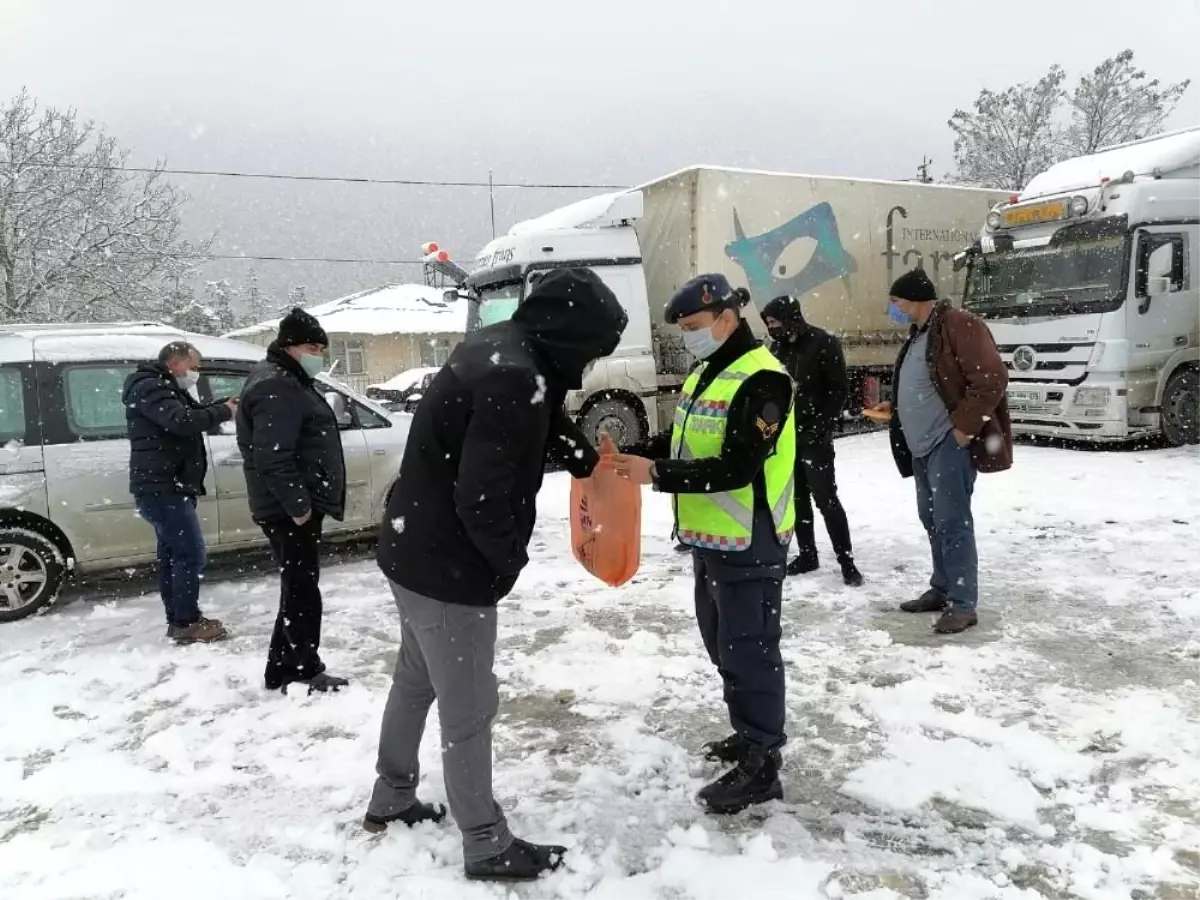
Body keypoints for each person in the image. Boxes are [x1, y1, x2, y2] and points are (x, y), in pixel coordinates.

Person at [366, 268, 627, 882]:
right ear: (569, 334)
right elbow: (482, 497)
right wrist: (505, 564)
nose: (588, 364)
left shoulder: (501, 345)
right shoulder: (515, 372)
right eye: (591, 350)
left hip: (411, 548)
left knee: (415, 681)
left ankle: (392, 795)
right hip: (449, 567)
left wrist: (581, 454)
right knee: (470, 707)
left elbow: (531, 419)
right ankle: (485, 842)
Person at [607, 273, 794, 815]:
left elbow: (737, 465)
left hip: (750, 538)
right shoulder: (708, 372)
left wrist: (657, 474)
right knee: (723, 642)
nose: (689, 336)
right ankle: (747, 733)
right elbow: (683, 439)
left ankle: (764, 764)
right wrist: (635, 454)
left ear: (726, 319)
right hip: (712, 539)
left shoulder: (764, 380)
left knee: (751, 647)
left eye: (693, 327)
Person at [868, 269, 1012, 635]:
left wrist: (963, 431)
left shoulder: (958, 324)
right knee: (931, 519)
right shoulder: (919, 333)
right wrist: (896, 404)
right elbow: (930, 381)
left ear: (915, 298)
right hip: (922, 446)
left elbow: (991, 377)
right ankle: (943, 587)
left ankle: (963, 604)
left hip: (947, 444)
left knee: (952, 522)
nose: (893, 308)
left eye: (896, 301)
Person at [237, 308, 348, 693]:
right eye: (311, 345)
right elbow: (273, 456)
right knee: (302, 591)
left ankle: (280, 668)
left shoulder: (287, 378)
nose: (318, 352)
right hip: (289, 510)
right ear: (289, 345)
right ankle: (303, 669)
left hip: (290, 506)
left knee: (297, 586)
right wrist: (299, 506)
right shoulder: (278, 385)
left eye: (321, 346)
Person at [124, 341, 237, 643]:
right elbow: (182, 421)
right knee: (190, 555)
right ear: (176, 362)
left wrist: (226, 404)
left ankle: (180, 620)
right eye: (195, 366)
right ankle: (186, 621)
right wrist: (224, 412)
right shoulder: (151, 387)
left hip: (167, 486)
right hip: (163, 487)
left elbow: (194, 412)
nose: (196, 373)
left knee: (174, 556)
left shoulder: (164, 386)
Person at [762, 295, 863, 586]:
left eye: (774, 321)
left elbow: (838, 388)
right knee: (798, 499)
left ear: (790, 317)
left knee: (826, 499)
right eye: (768, 323)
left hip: (814, 437)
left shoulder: (823, 342)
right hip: (786, 437)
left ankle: (846, 560)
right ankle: (808, 554)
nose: (771, 328)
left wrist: (822, 425)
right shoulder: (777, 347)